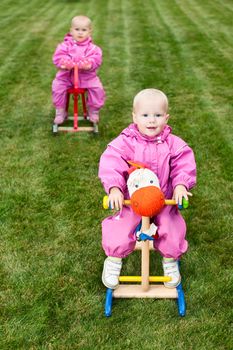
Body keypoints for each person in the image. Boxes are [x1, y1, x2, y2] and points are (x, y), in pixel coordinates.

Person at [98, 88, 196, 289]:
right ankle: (114, 259)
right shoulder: (126, 141)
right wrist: (115, 188)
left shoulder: (173, 143)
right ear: (135, 117)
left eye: (158, 115)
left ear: (166, 118)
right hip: (133, 200)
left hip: (164, 200)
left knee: (172, 227)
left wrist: (180, 185)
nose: (152, 121)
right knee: (121, 226)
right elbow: (111, 162)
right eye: (145, 115)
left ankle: (170, 261)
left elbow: (184, 164)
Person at [52, 15, 105, 127]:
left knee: (97, 88)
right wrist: (65, 63)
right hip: (66, 76)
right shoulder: (64, 46)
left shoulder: (92, 48)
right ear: (71, 31)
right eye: (77, 29)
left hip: (87, 77)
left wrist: (89, 64)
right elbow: (57, 57)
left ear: (89, 32)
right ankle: (60, 111)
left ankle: (94, 110)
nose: (80, 33)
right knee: (57, 86)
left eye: (84, 30)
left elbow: (97, 59)